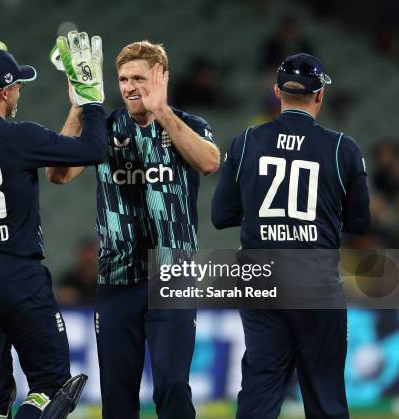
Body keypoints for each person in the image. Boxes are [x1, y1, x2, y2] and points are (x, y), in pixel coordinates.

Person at [47, 38, 220, 419]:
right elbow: (58, 174)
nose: (129, 87)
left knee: (173, 387)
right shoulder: (105, 128)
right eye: (123, 79)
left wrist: (163, 113)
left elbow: (209, 162)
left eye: (139, 78)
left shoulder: (189, 125)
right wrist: (79, 106)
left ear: (162, 78)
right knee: (117, 398)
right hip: (116, 280)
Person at [0, 37, 106, 419]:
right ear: (8, 90)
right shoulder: (19, 136)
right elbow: (95, 150)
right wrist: (90, 100)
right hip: (17, 276)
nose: (19, 94)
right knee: (53, 385)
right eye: (18, 86)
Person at [212, 53, 370, 418]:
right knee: (324, 392)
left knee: (260, 388)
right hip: (315, 280)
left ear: (276, 92)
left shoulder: (246, 140)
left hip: (260, 277)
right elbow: (359, 221)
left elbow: (221, 216)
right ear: (320, 96)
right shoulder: (341, 147)